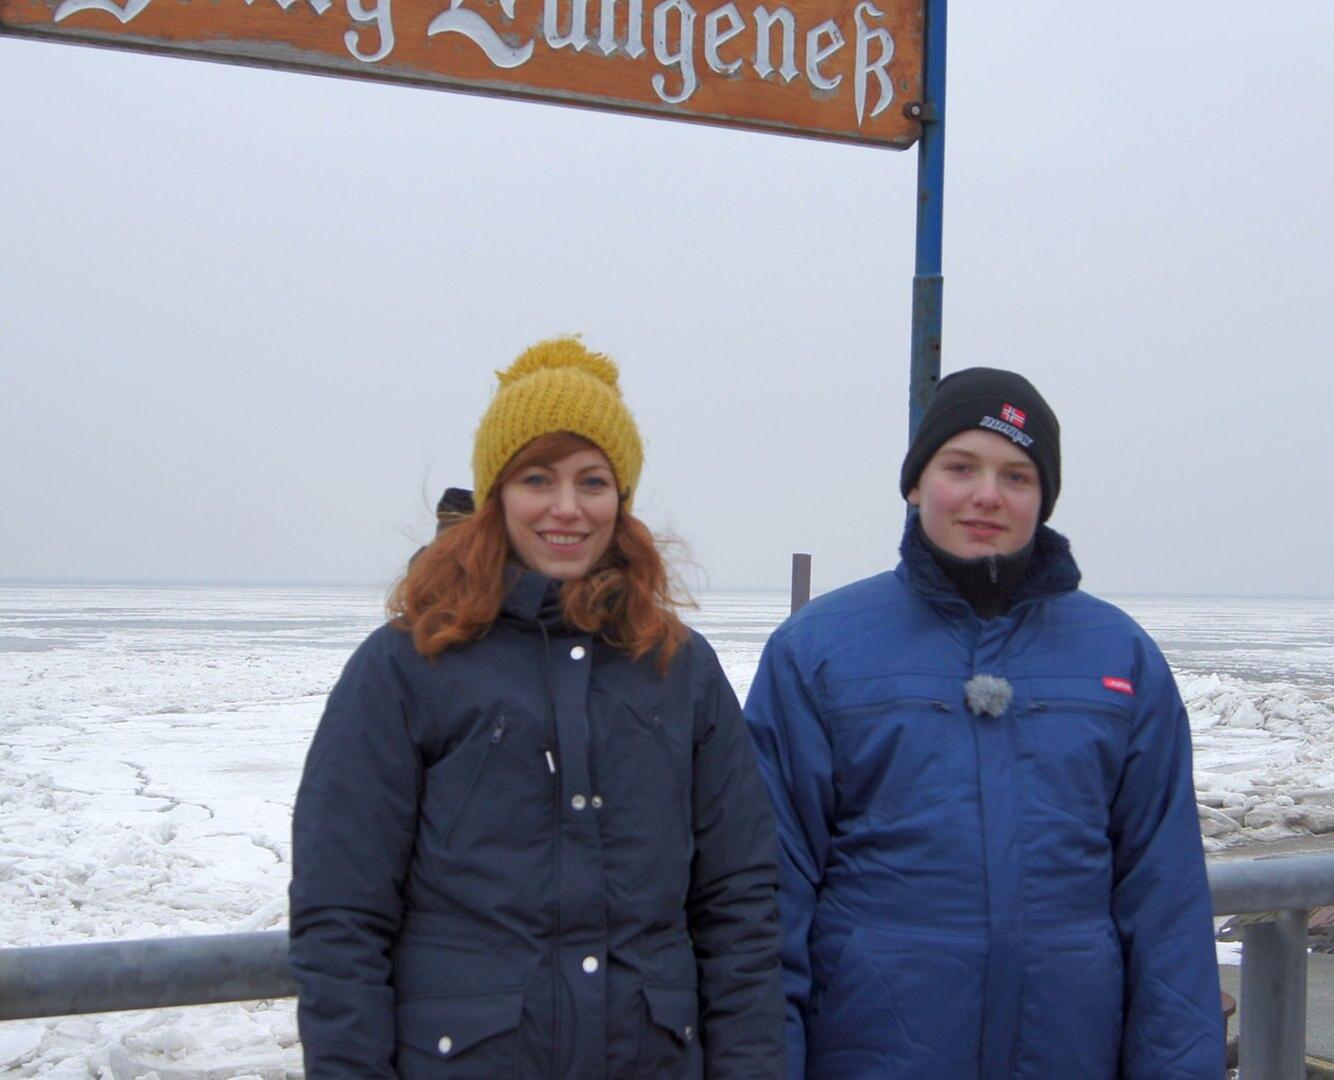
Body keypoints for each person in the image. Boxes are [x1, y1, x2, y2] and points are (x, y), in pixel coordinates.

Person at [290, 337, 784, 1079]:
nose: (567, 508)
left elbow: (738, 904)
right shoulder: (406, 666)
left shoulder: (679, 668)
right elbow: (341, 914)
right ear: (496, 496)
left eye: (593, 481)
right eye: (537, 478)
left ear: (621, 500)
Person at [744, 367, 1224, 1078]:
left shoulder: (1121, 658)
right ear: (916, 483)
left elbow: (1167, 902)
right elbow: (765, 903)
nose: (987, 495)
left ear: (1044, 498)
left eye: (1016, 476)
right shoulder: (816, 652)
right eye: (960, 467)